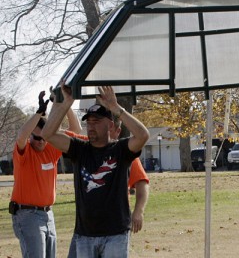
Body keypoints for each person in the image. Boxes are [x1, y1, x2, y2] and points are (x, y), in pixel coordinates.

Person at [41, 84, 150, 258]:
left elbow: (143, 135)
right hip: (85, 234)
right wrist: (66, 104)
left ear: (110, 124)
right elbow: (47, 134)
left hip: (115, 233)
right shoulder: (79, 149)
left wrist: (116, 108)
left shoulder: (121, 150)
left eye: (96, 122)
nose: (91, 126)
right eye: (89, 122)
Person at [9, 90, 81, 258]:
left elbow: (76, 130)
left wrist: (64, 104)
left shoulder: (51, 148)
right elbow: (21, 137)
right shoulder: (24, 152)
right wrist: (39, 113)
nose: (40, 142)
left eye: (43, 138)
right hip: (27, 216)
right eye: (35, 137)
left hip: (48, 214)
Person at [65, 116, 150, 258]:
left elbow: (142, 183)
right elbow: (66, 132)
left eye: (112, 130)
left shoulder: (125, 154)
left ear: (117, 131)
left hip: (114, 227)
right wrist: (65, 106)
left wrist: (138, 211)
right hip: (85, 229)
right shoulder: (85, 147)